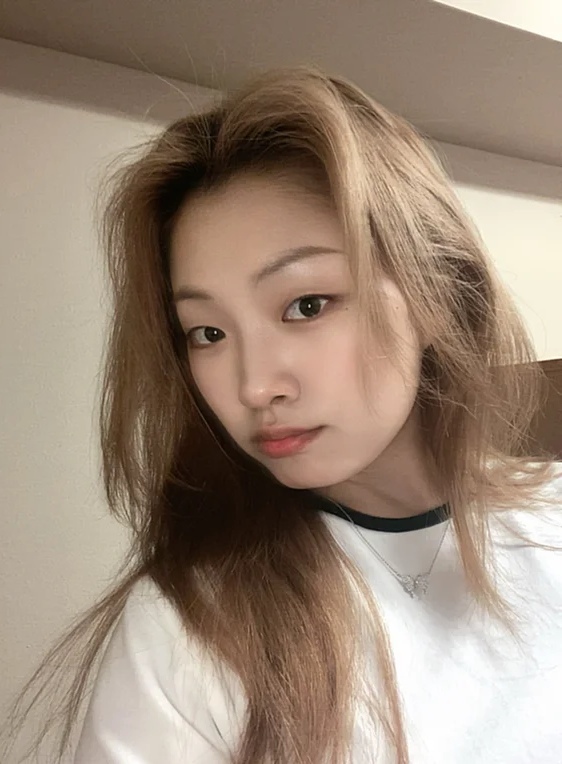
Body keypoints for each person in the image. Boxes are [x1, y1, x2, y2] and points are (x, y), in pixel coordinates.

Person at [7, 66, 562, 764]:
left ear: (434, 295)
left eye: (306, 305)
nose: (254, 386)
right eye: (207, 332)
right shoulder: (193, 627)